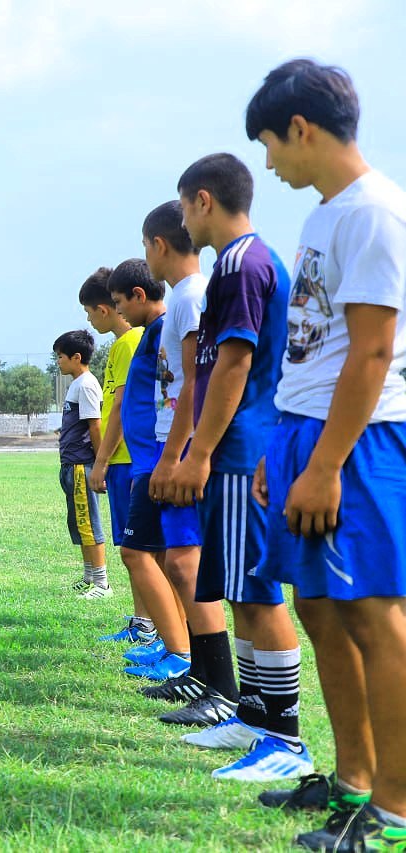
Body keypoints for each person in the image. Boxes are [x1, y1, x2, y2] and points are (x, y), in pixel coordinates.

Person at [245, 59, 406, 849]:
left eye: (272, 145)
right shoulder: (322, 216)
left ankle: (397, 813)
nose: (270, 163)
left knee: (375, 612)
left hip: (361, 439)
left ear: (302, 129)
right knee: (318, 606)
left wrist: (326, 464)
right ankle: (353, 781)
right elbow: (312, 352)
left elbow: (372, 354)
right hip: (307, 434)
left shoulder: (375, 213)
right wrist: (286, 445)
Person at [164, 152, 312, 782]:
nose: (181, 221)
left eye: (182, 205)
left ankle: (286, 738)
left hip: (244, 448)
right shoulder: (240, 261)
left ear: (203, 200)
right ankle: (255, 718)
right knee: (240, 590)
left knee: (256, 590)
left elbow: (234, 364)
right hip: (238, 446)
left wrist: (198, 451)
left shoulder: (242, 263)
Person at [139, 201, 239, 725]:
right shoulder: (183, 296)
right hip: (172, 439)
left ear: (158, 245)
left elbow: (197, 382)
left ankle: (220, 687)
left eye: (144, 245)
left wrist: (179, 455)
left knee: (184, 563)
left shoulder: (193, 295)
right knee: (179, 562)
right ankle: (202, 677)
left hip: (182, 443)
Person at [105, 260, 193, 684]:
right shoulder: (154, 333)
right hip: (147, 458)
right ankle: (172, 642)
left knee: (137, 554)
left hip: (152, 460)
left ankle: (180, 651)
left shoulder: (162, 330)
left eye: (120, 303)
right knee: (158, 555)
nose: (119, 312)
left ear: (139, 296)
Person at [80, 268, 149, 615]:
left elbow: (122, 404)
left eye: (89, 313)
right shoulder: (133, 341)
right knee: (136, 550)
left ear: (104, 309)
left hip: (124, 459)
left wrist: (102, 461)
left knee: (137, 550)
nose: (90, 322)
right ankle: (143, 621)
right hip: (126, 458)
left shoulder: (127, 344)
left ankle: (148, 624)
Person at [53, 330, 108, 595]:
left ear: (76, 357)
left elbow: (94, 426)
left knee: (89, 522)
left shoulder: (86, 384)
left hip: (81, 465)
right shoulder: (77, 384)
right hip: (70, 464)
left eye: (60, 357)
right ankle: (89, 576)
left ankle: (101, 582)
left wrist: (100, 464)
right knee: (79, 522)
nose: (58, 362)